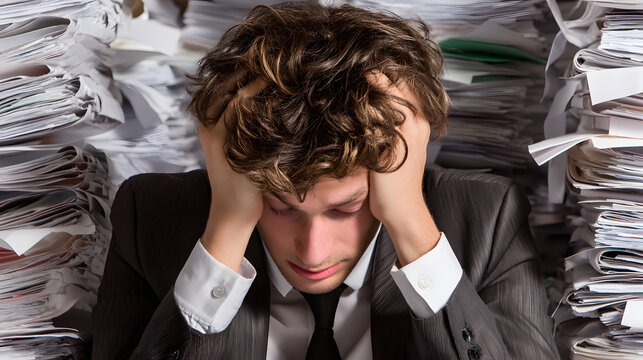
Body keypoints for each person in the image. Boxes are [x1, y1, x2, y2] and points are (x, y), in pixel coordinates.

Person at [91, 3, 559, 359]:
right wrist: (227, 227)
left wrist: (410, 223)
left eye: (345, 208)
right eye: (281, 207)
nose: (312, 252)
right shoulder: (148, 214)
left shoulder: (487, 215)